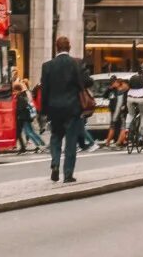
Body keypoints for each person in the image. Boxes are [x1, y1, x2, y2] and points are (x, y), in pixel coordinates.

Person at [38, 36, 93, 184]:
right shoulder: (76, 63)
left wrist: (43, 110)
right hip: (72, 108)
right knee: (70, 141)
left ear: (56, 47)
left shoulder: (47, 66)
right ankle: (68, 174)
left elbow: (45, 90)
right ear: (69, 47)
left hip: (54, 108)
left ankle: (55, 163)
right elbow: (87, 82)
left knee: (55, 137)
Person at [13, 77, 46, 154]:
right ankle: (41, 144)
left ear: (18, 90)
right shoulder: (24, 95)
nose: (14, 92)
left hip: (24, 117)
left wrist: (17, 113)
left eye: (15, 90)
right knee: (31, 132)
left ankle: (39, 146)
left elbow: (21, 108)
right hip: (27, 117)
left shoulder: (20, 97)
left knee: (29, 132)